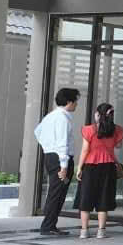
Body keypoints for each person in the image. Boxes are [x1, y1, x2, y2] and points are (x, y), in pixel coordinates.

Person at [73, 103, 123, 239]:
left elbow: (85, 150)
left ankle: (84, 231)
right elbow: (118, 146)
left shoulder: (89, 129)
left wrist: (79, 167)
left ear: (97, 114)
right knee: (103, 198)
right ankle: (101, 231)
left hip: (90, 166)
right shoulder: (117, 130)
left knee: (86, 198)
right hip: (108, 167)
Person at [33, 87, 79, 235]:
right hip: (60, 159)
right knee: (57, 193)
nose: (76, 104)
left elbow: (37, 132)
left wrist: (47, 146)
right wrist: (64, 166)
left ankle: (50, 225)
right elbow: (62, 142)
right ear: (69, 102)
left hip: (51, 156)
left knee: (55, 192)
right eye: (75, 101)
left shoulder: (51, 116)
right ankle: (48, 226)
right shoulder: (62, 118)